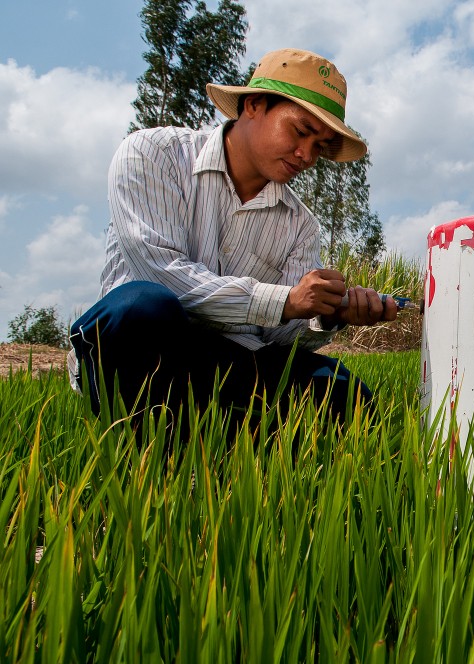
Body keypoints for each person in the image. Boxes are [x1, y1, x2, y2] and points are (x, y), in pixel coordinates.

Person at [67, 47, 397, 428]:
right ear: (254, 105)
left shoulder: (300, 225)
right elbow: (161, 274)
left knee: (343, 393)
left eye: (319, 147)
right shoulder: (152, 154)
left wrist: (328, 314)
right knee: (142, 307)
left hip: (231, 363)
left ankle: (223, 437)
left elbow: (285, 336)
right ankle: (169, 441)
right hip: (145, 351)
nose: (306, 155)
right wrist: (284, 299)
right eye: (301, 131)